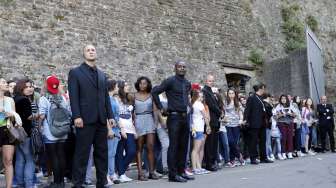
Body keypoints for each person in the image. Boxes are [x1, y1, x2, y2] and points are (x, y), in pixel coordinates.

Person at [68, 44, 114, 188]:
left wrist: (110, 115)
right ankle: (78, 183)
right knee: (82, 154)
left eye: (93, 49)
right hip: (84, 120)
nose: (91, 52)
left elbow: (105, 97)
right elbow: (73, 96)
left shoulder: (102, 74)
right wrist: (76, 116)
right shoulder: (75, 72)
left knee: (102, 154)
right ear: (84, 54)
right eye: (88, 50)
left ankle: (102, 182)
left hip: (101, 120)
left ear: (96, 53)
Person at [152, 60, 193, 183]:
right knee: (173, 146)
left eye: (184, 67)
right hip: (174, 117)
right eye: (179, 67)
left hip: (185, 117)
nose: (182, 68)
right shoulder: (170, 81)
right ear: (175, 68)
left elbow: (187, 98)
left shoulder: (187, 83)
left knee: (183, 146)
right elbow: (155, 91)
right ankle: (173, 174)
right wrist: (161, 107)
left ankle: (181, 171)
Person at [39, 76, 70, 188]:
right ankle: (61, 182)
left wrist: (38, 122)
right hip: (63, 130)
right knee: (61, 155)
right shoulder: (62, 97)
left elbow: (42, 116)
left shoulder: (44, 98)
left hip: (50, 131)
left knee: (53, 157)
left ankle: (56, 183)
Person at [133, 76, 160, 181]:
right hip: (138, 121)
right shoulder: (133, 96)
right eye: (140, 83)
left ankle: (151, 172)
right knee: (139, 148)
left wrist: (155, 124)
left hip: (149, 120)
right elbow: (131, 111)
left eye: (144, 83)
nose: (142, 85)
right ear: (138, 84)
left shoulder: (151, 95)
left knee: (150, 146)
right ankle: (140, 173)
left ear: (148, 84)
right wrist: (133, 125)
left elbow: (155, 110)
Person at [13, 78, 36, 188]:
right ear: (21, 87)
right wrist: (38, 115)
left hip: (16, 134)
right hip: (25, 133)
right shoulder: (24, 100)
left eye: (31, 86)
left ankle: (20, 184)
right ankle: (29, 184)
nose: (29, 89)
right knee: (29, 160)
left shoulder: (15, 99)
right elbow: (29, 116)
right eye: (26, 87)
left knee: (19, 159)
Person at [244, 83, 273, 164]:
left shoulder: (262, 98)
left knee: (263, 141)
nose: (264, 90)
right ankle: (253, 158)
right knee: (253, 141)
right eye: (264, 89)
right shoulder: (251, 98)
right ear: (261, 88)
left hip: (263, 123)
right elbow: (247, 109)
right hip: (254, 123)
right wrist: (245, 119)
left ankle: (264, 157)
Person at [114, 80, 137, 183]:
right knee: (119, 152)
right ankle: (122, 174)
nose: (128, 87)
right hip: (120, 129)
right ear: (120, 87)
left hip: (130, 129)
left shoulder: (129, 99)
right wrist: (121, 129)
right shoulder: (116, 99)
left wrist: (134, 130)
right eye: (126, 85)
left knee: (132, 151)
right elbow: (116, 115)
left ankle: (120, 171)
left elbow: (131, 117)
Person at [202, 75, 222, 171]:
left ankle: (212, 162)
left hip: (215, 120)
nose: (211, 82)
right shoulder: (205, 91)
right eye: (209, 81)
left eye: (212, 81)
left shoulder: (210, 91)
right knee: (210, 143)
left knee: (213, 143)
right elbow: (211, 105)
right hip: (210, 120)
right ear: (206, 81)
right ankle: (209, 164)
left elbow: (215, 104)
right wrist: (220, 112)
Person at [0, 77, 16, 188]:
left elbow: (15, 118)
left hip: (7, 129)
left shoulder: (10, 100)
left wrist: (12, 115)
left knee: (8, 160)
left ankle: (8, 186)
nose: (7, 84)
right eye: (4, 82)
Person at [190, 90, 210, 175]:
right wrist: (208, 126)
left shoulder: (193, 104)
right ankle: (195, 168)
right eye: (200, 96)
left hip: (195, 128)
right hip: (198, 128)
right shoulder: (199, 104)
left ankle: (198, 167)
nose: (201, 98)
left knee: (196, 149)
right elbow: (205, 116)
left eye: (202, 97)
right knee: (196, 149)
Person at [224, 89, 245, 166]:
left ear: (234, 94)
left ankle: (232, 160)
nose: (231, 95)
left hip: (236, 124)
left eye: (232, 93)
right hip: (228, 125)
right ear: (227, 94)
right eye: (229, 93)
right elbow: (223, 112)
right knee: (230, 141)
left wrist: (241, 120)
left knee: (234, 143)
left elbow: (241, 112)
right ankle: (239, 156)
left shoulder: (237, 103)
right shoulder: (225, 102)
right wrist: (224, 119)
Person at [106, 80, 121, 184]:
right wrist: (109, 129)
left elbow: (117, 116)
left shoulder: (114, 99)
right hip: (109, 128)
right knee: (108, 153)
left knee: (113, 153)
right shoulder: (107, 99)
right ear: (113, 87)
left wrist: (119, 129)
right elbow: (106, 115)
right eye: (117, 86)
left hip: (116, 128)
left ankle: (112, 173)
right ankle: (106, 174)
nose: (118, 88)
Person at [274, 94, 296, 159]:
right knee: (283, 138)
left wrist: (290, 114)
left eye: (285, 98)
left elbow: (295, 115)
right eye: (282, 98)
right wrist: (281, 115)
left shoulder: (290, 106)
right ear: (280, 100)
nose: (283, 100)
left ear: (287, 99)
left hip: (290, 122)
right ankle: (283, 153)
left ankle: (289, 152)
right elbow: (275, 117)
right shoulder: (278, 106)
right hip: (281, 123)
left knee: (290, 138)